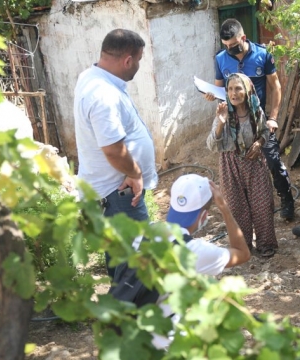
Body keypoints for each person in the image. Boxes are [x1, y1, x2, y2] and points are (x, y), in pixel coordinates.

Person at [110, 174, 251, 350]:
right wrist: (225, 209)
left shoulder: (145, 231)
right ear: (204, 216)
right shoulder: (194, 251)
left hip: (124, 337)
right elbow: (242, 253)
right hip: (161, 346)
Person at [74, 29, 158, 278]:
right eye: (139, 60)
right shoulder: (103, 94)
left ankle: (120, 310)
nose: (139, 66)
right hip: (119, 193)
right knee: (136, 262)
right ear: (128, 60)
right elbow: (112, 149)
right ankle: (134, 314)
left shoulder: (91, 76)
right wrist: (134, 172)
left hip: (112, 192)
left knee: (121, 258)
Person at [204, 18, 295, 220]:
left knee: (272, 161)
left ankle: (286, 199)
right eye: (226, 46)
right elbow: (220, 89)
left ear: (243, 38)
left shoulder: (262, 55)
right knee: (236, 166)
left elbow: (276, 87)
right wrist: (212, 95)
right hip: (233, 123)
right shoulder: (220, 59)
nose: (230, 50)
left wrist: (272, 118)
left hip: (259, 120)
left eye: (233, 45)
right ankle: (247, 208)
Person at [206, 73, 278, 257]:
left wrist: (260, 142)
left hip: (254, 163)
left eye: (238, 88)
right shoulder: (223, 112)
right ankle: (243, 246)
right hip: (230, 165)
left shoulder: (256, 112)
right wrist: (220, 124)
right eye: (230, 89)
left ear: (247, 90)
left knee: (262, 205)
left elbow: (264, 131)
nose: (233, 93)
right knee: (237, 208)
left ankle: (266, 244)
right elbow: (211, 145)